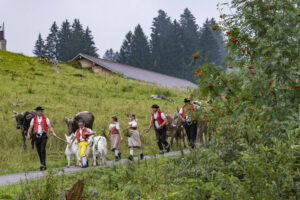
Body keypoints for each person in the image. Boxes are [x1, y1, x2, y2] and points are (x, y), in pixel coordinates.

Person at [27, 106, 57, 171]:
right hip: (36, 136)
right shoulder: (33, 119)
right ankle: (43, 164)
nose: (40, 112)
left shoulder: (46, 119)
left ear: (42, 112)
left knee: (42, 149)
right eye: (39, 111)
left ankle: (43, 164)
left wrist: (53, 132)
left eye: (41, 111)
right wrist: (28, 134)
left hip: (43, 136)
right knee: (39, 151)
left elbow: (50, 127)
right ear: (37, 112)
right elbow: (30, 127)